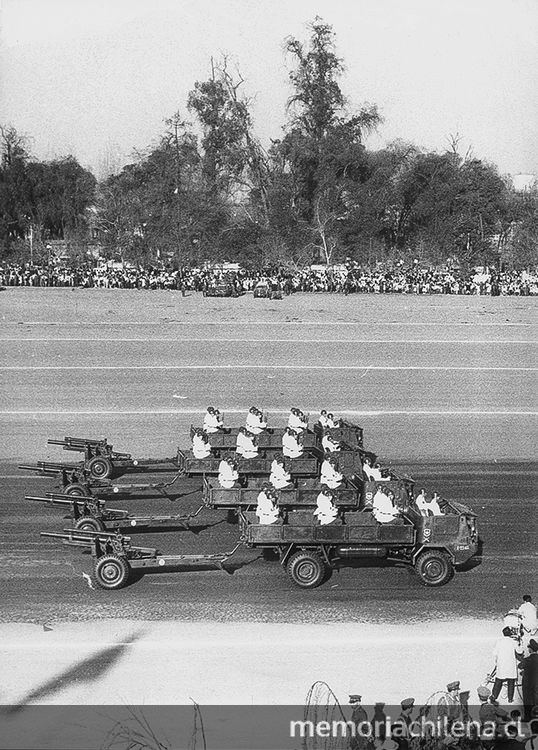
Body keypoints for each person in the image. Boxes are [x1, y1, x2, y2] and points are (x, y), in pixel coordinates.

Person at [492, 627, 523, 704]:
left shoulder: (499, 641)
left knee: (498, 681)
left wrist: (497, 661)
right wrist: (519, 644)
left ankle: (494, 696)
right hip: (510, 665)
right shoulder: (513, 642)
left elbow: (494, 653)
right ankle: (510, 699)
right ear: (510, 633)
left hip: (501, 664)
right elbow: (520, 651)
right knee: (511, 682)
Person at [518, 638, 538, 722]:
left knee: (527, 701)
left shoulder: (527, 660)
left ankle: (528, 717)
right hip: (537, 684)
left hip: (527, 684)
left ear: (530, 649)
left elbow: (520, 666)